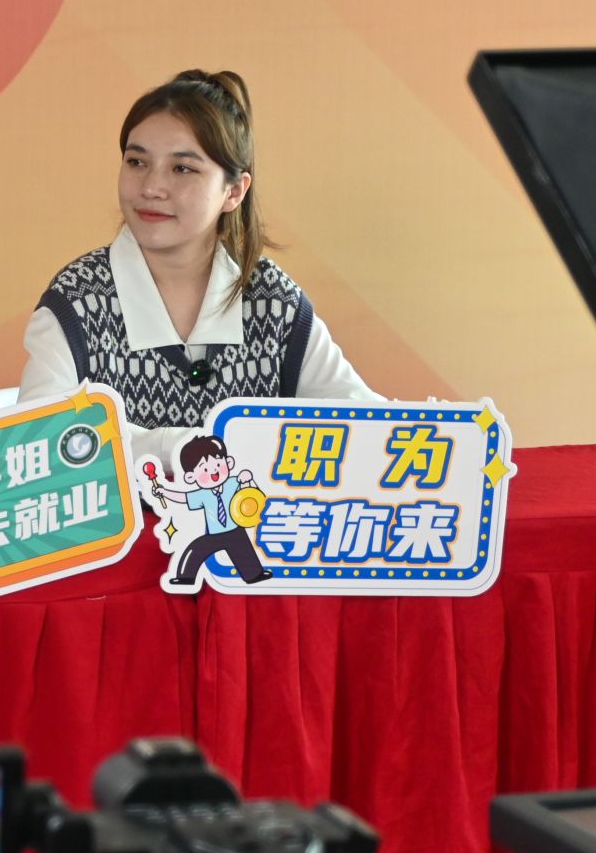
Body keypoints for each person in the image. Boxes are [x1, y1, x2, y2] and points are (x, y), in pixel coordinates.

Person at [19, 69, 376, 471]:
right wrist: (184, 447)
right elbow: (41, 445)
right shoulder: (78, 298)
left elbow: (366, 426)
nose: (150, 187)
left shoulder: (273, 302)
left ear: (234, 191)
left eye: (182, 169)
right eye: (137, 162)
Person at [152, 435, 271, 585]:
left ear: (229, 463)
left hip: (235, 530)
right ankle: (185, 578)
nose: (214, 472)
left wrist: (248, 479)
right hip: (214, 534)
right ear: (190, 477)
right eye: (205, 469)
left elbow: (253, 495)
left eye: (218, 465)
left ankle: (254, 575)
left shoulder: (233, 482)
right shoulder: (202, 494)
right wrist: (164, 492)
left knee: (245, 553)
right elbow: (183, 498)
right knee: (194, 550)